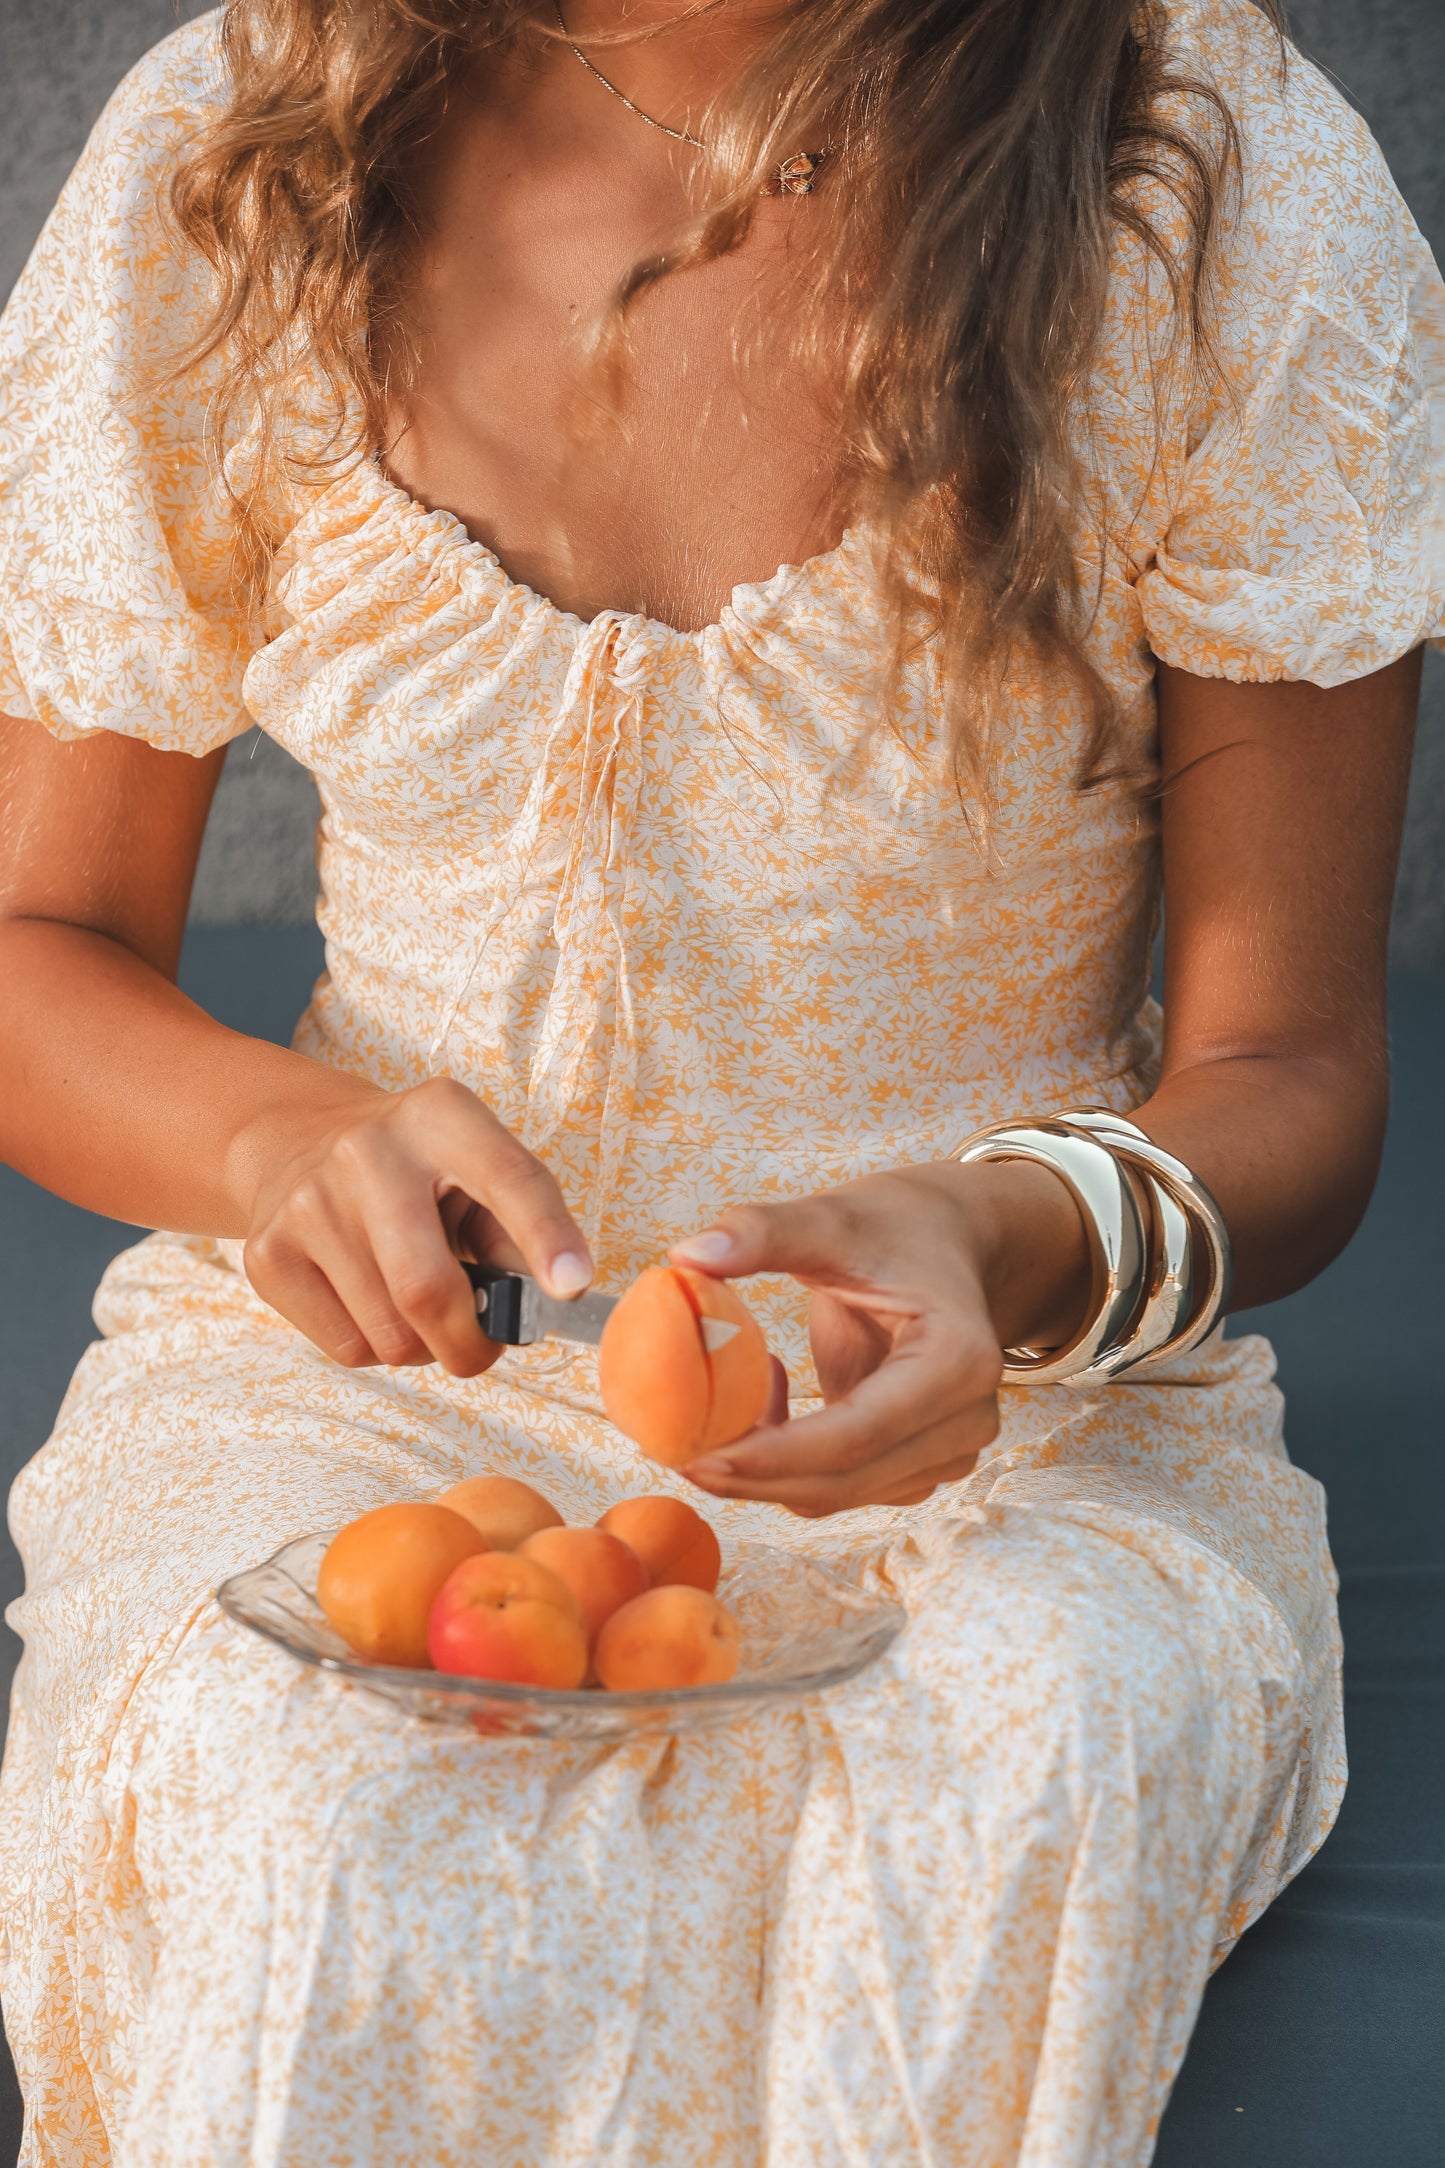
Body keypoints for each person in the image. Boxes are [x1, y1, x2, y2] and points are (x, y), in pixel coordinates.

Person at [0, 0, 1439, 2157]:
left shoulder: (1207, 169)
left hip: (1014, 1416)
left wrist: (1006, 1238)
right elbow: (38, 953)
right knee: (312, 1802)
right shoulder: (242, 153)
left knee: (1002, 1762)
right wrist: (280, 1141)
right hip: (360, 1393)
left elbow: (1288, 1066)